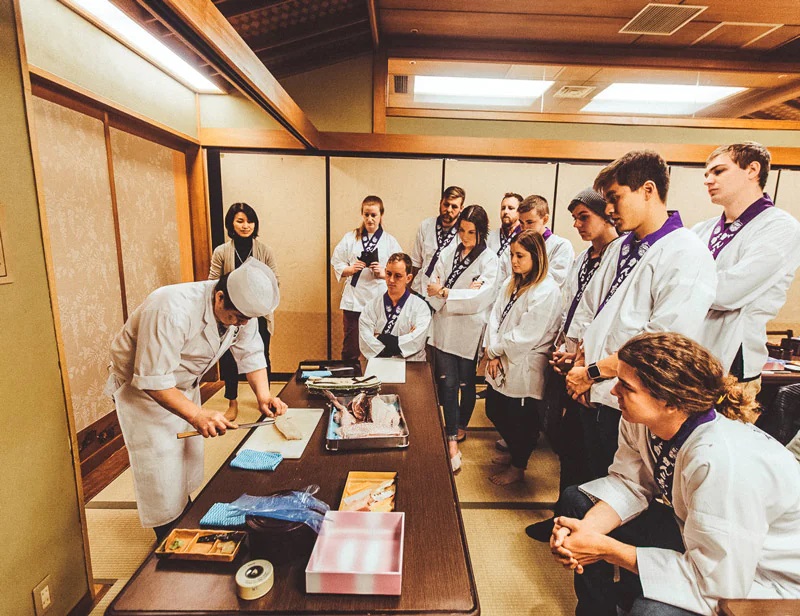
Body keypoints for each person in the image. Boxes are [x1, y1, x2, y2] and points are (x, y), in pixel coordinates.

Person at [550, 332, 800, 616]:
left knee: (653, 611)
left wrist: (607, 549)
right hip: (708, 545)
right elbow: (630, 484)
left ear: (670, 401)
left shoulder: (721, 460)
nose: (612, 391)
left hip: (764, 577)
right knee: (579, 504)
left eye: (626, 386)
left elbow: (720, 583)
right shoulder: (643, 421)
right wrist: (585, 533)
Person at [106, 259, 287, 541]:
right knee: (162, 476)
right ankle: (170, 538)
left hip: (183, 385)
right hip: (144, 393)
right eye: (237, 318)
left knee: (187, 463)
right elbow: (153, 379)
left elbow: (250, 352)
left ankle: (185, 517)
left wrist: (264, 396)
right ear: (219, 297)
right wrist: (197, 415)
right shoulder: (169, 308)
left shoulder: (241, 311)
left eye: (246, 320)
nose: (241, 324)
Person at [563, 150, 716, 482]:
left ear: (648, 190)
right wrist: (580, 363)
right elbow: (590, 306)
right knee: (580, 470)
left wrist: (591, 372)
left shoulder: (686, 253)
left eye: (615, 198)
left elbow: (661, 344)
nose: (610, 210)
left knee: (617, 481)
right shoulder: (621, 246)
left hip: (630, 394)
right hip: (591, 385)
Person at [693, 141, 800, 395]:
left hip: (733, 362)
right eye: (706, 174)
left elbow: (729, 292)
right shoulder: (701, 230)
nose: (708, 180)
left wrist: (684, 286)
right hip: (690, 355)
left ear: (752, 170)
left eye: (718, 172)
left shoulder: (779, 227)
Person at [549, 188, 620, 490]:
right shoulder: (582, 258)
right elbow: (571, 306)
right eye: (574, 218)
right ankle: (562, 510)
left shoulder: (619, 258)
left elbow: (605, 319)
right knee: (568, 445)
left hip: (598, 367)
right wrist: (564, 347)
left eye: (584, 217)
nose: (577, 224)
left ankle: (581, 520)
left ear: (607, 216)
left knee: (594, 454)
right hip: (572, 357)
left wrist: (583, 356)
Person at [483, 230, 562, 485]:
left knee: (521, 421)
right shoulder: (512, 281)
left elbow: (527, 334)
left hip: (525, 363)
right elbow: (495, 316)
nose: (514, 261)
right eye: (512, 255)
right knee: (494, 409)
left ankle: (518, 466)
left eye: (520, 256)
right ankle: (514, 455)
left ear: (536, 256)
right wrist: (492, 351)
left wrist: (495, 350)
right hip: (501, 356)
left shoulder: (546, 290)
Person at [427, 205, 499, 471]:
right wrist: (448, 292)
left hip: (469, 328)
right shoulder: (449, 251)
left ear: (481, 232)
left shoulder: (489, 259)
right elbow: (432, 281)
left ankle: (460, 426)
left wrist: (447, 293)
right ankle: (449, 436)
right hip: (445, 324)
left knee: (467, 384)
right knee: (447, 383)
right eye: (462, 230)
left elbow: (480, 297)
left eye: (471, 232)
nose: (465, 237)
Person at [209, 202, 279, 420]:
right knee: (228, 357)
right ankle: (232, 402)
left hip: (258, 313)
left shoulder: (264, 250)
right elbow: (213, 282)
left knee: (260, 355)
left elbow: (274, 280)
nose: (246, 225)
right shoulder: (222, 251)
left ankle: (264, 399)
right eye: (240, 220)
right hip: (230, 311)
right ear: (231, 223)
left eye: (250, 221)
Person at [331, 195, 402, 360]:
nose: (370, 219)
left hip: (380, 300)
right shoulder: (350, 238)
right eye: (366, 214)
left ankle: (379, 382)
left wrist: (383, 272)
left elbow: (400, 271)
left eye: (374, 215)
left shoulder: (390, 241)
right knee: (351, 348)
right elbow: (336, 262)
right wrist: (350, 269)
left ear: (381, 215)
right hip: (354, 300)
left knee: (380, 345)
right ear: (362, 215)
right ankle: (349, 382)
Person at [359, 252, 432, 361]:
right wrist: (402, 340)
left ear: (408, 278)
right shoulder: (372, 306)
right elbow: (365, 339)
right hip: (379, 363)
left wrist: (380, 337)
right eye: (388, 274)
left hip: (412, 366)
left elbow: (417, 340)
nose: (391, 280)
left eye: (398, 276)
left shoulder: (420, 307)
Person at [410, 186, 465, 297]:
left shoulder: (463, 233)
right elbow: (415, 263)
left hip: (444, 292)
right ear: (440, 203)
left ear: (461, 209)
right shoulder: (425, 226)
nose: (449, 210)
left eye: (454, 206)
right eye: (446, 204)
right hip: (420, 288)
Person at [518, 194, 575, 287]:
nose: (524, 228)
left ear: (545, 219)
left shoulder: (561, 246)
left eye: (530, 222)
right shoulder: (518, 247)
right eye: (521, 223)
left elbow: (555, 281)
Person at [486, 192, 523, 284]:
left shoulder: (525, 239)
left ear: (520, 212)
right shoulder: (489, 236)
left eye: (511, 208)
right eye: (503, 208)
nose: (505, 211)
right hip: (488, 288)